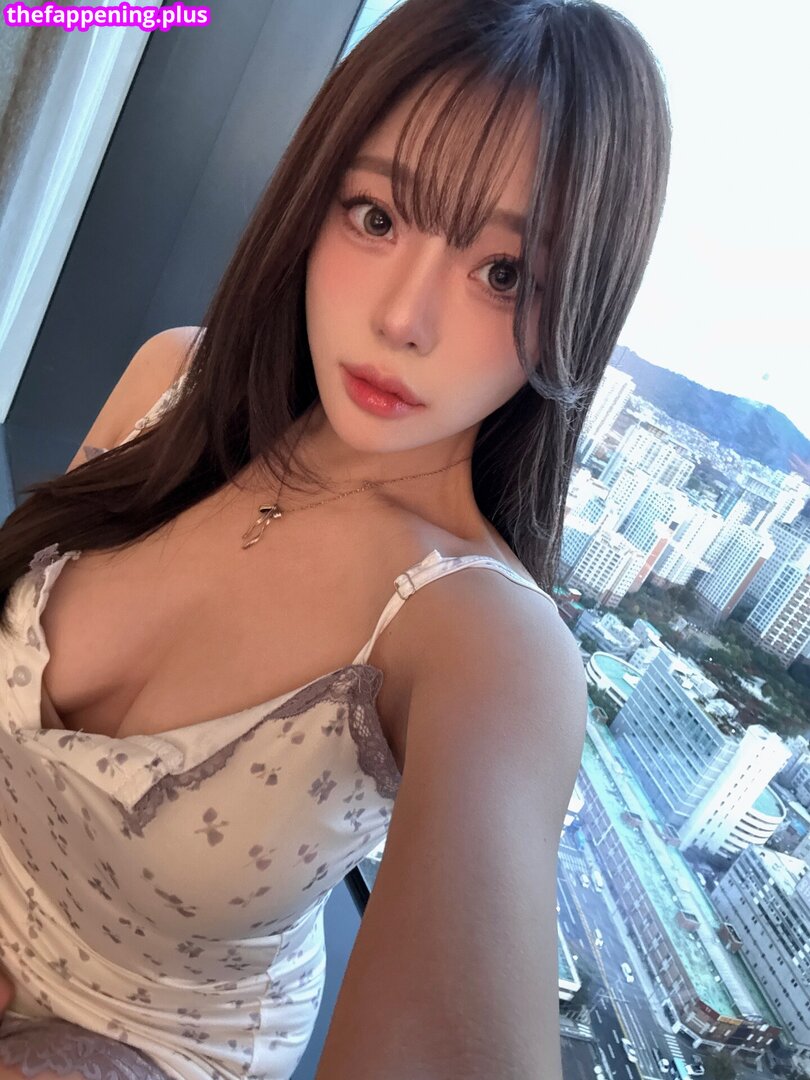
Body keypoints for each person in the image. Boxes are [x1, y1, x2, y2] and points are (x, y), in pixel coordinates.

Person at [0, 0, 671, 1076]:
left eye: (505, 274)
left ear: (576, 311)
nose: (405, 318)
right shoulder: (170, 384)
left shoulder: (482, 642)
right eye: (376, 215)